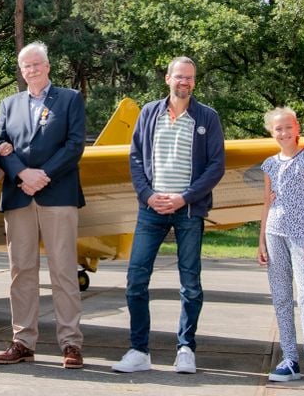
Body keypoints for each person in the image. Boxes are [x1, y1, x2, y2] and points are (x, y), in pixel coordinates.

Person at [112, 56, 224, 375]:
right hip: (151, 210)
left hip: (188, 210)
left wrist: (183, 198)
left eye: (189, 77)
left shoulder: (208, 118)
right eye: (179, 76)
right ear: (167, 78)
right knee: (135, 279)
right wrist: (149, 195)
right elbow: (135, 159)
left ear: (194, 82)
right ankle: (139, 350)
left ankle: (186, 348)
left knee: (190, 282)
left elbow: (216, 165)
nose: (184, 82)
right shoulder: (149, 113)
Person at [0, 42, 86, 369]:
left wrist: (43, 174)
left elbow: (75, 145)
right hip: (19, 195)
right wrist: (22, 174)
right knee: (21, 271)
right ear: (21, 70)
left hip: (57, 193)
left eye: (36, 64)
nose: (31, 69)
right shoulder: (7, 104)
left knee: (63, 270)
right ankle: (23, 341)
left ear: (47, 66)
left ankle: (70, 343)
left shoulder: (71, 99)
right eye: (25, 66)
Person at [257, 107, 304, 388]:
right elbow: (267, 203)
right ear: (272, 133)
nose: (284, 133)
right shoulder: (269, 164)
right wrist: (261, 239)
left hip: (302, 236)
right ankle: (290, 358)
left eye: (288, 127)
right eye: (278, 129)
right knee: (281, 296)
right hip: (275, 233)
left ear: (297, 128)